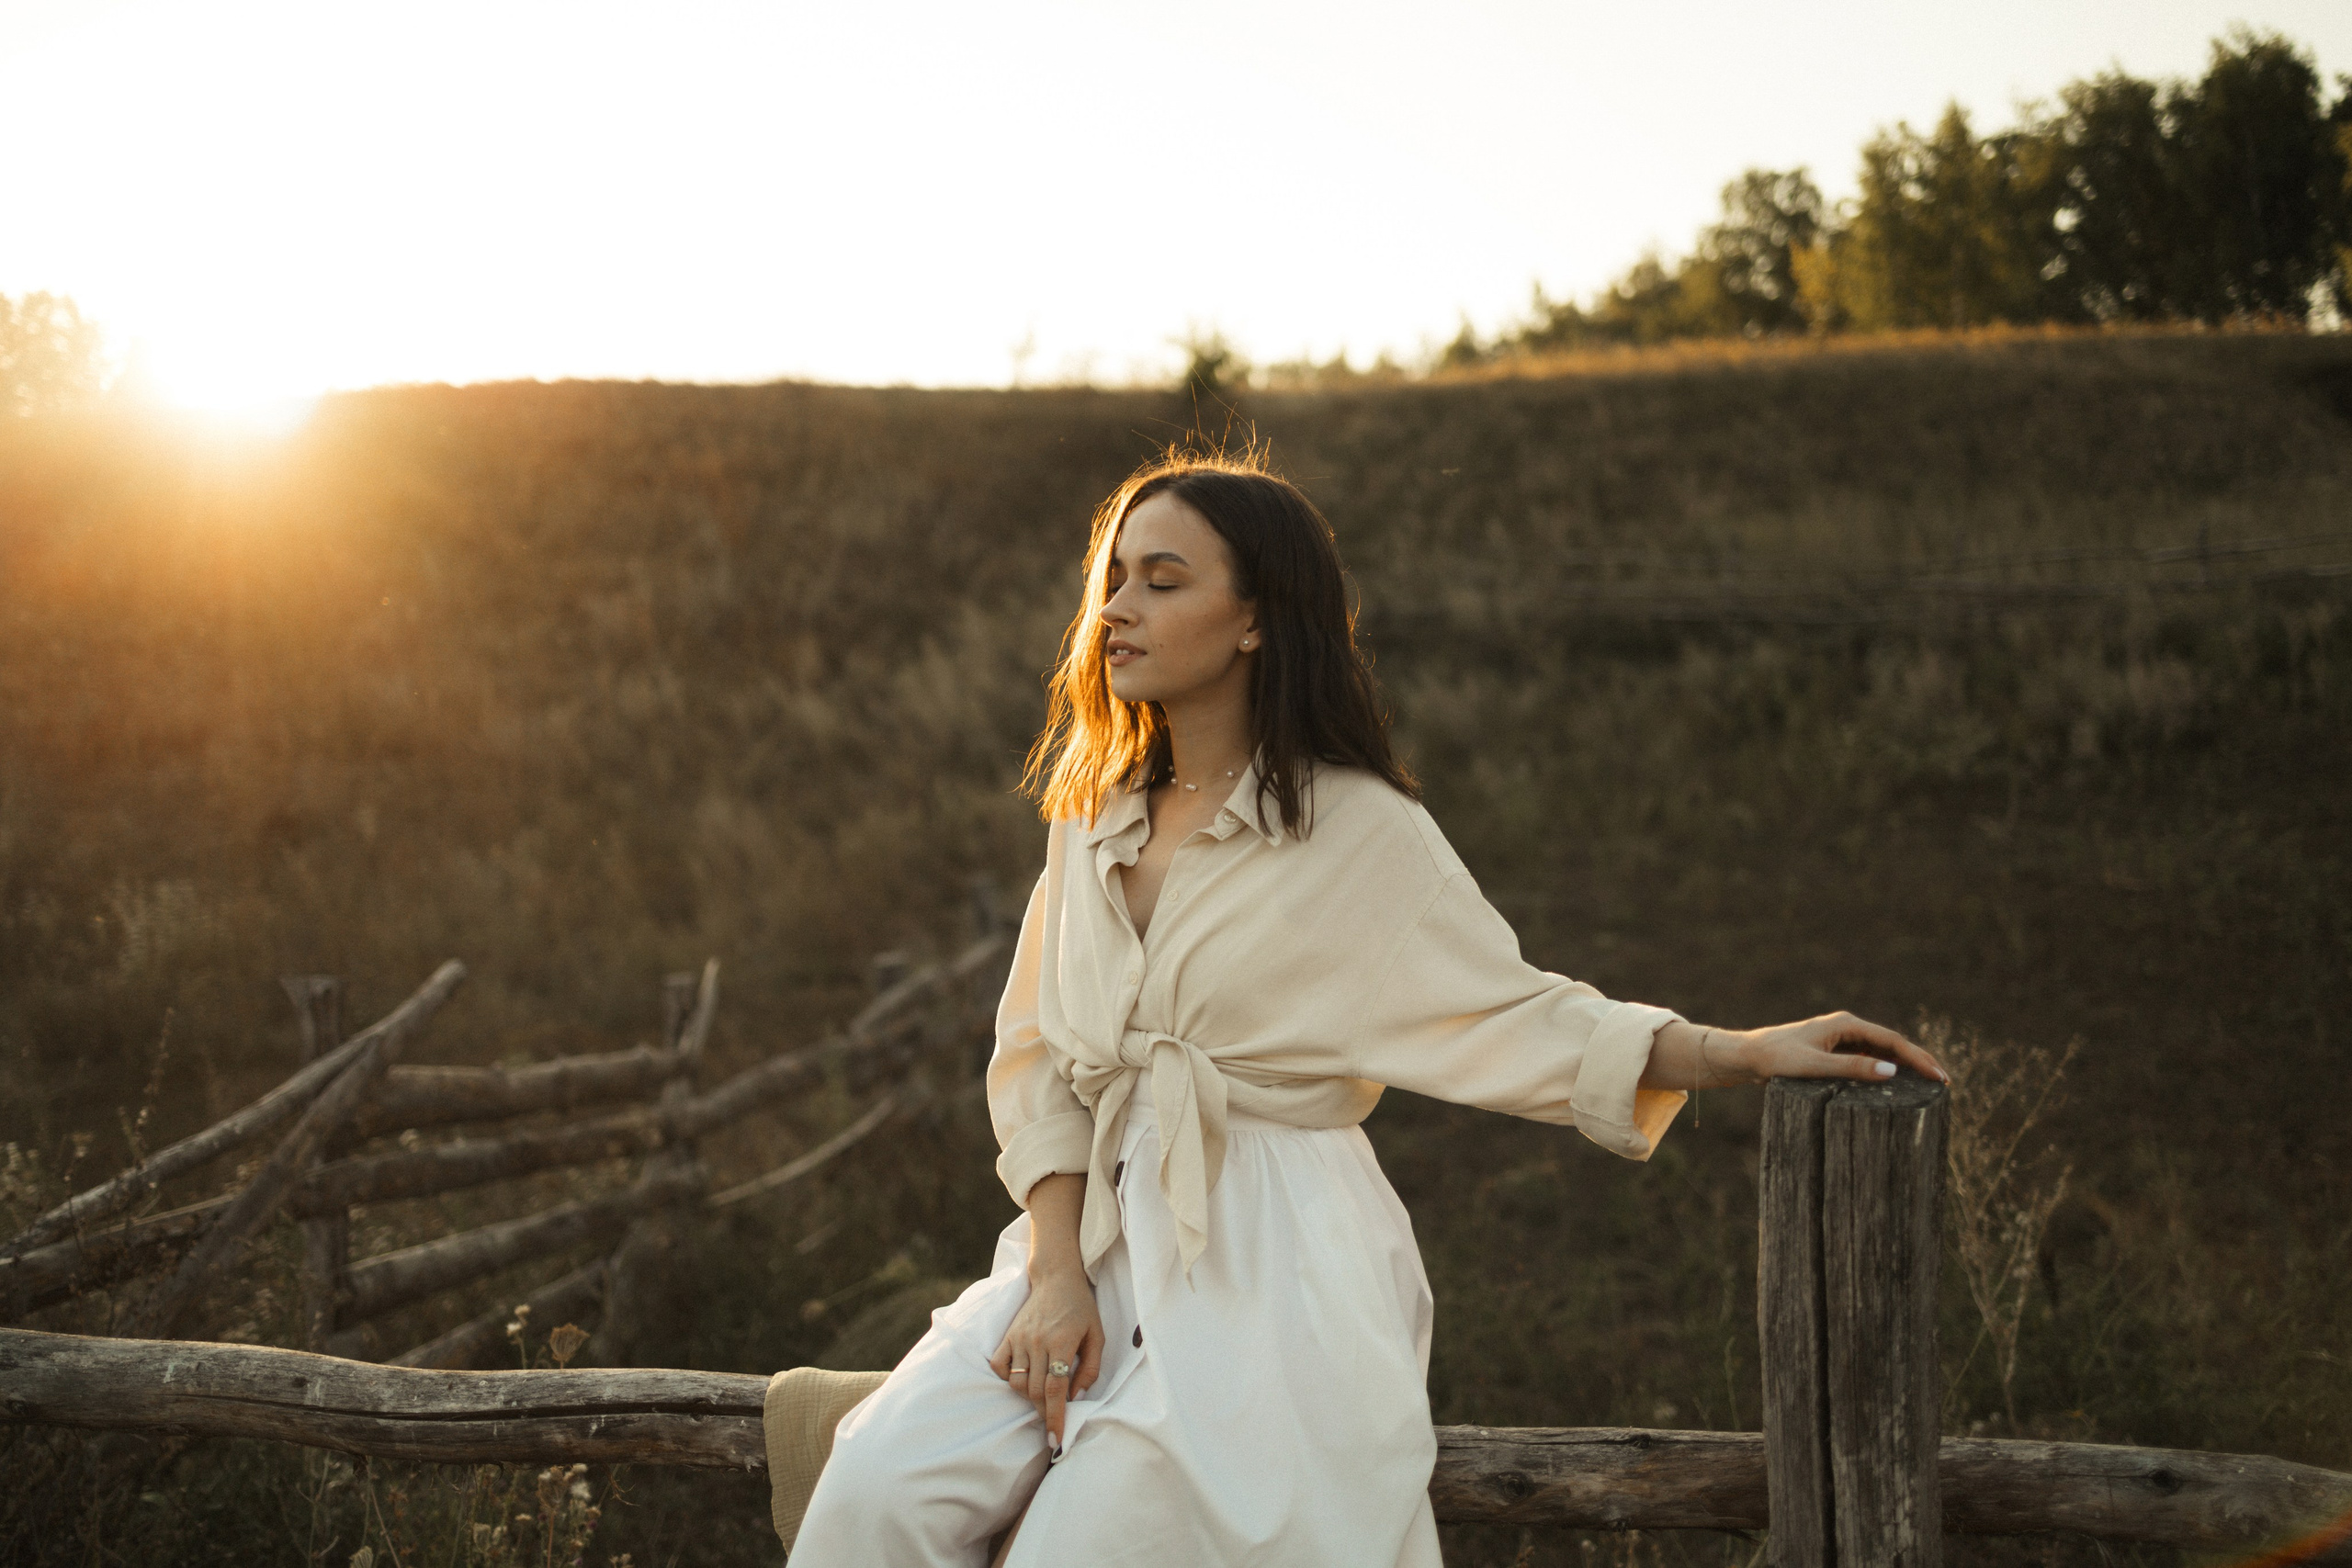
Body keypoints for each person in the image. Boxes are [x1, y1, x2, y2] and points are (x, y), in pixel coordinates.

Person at [777, 450, 1948, 1567]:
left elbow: (1518, 1013)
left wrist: (1736, 1051)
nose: (1117, 608)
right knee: (879, 1486)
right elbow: (1035, 1062)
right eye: (1114, 579)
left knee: (1101, 1543)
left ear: (1256, 619)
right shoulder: (1088, 818)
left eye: (1163, 580)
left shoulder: (1356, 830)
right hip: (1090, 1241)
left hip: (1275, 1264)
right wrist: (1052, 1276)